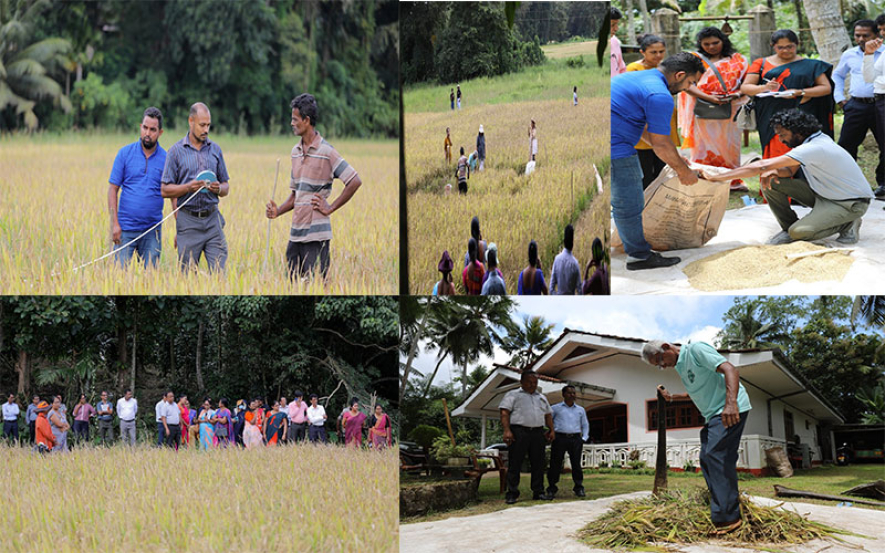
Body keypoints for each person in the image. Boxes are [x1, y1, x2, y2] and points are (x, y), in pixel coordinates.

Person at [702, 109, 872, 244]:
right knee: (771, 181)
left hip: (850, 203)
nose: (781, 140)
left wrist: (719, 177)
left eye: (783, 135)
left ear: (798, 132)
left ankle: (848, 223)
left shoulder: (814, 147)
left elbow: (762, 165)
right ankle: (788, 227)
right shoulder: (812, 141)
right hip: (826, 194)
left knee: (799, 233)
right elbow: (789, 172)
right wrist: (775, 172)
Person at [641, 340, 753, 534]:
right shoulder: (681, 366)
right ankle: (722, 505)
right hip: (714, 415)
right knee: (707, 458)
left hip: (730, 409)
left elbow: (730, 369)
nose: (663, 366)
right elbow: (697, 392)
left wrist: (731, 404)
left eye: (660, 360)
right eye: (658, 366)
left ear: (666, 347)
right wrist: (673, 397)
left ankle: (729, 517)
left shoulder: (695, 350)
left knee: (716, 455)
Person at [611, 52, 705, 270]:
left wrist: (675, 160)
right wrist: (683, 172)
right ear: (679, 75)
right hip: (616, 148)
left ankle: (636, 250)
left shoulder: (635, 78)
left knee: (622, 201)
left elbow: (647, 132)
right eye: (690, 82)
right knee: (629, 204)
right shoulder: (659, 94)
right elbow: (662, 143)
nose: (687, 88)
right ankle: (639, 257)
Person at [266, 94, 363, 281]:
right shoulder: (295, 152)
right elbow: (296, 195)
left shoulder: (327, 152)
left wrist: (330, 207)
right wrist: (277, 211)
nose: (291, 123)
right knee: (294, 286)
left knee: (317, 286)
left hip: (317, 236)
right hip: (295, 235)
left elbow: (354, 181)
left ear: (306, 120)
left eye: (295, 119)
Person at [741, 30, 834, 160]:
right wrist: (765, 87)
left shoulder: (811, 65)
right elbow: (745, 87)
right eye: (780, 47)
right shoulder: (761, 63)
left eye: (790, 46)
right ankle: (776, 178)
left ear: (797, 44)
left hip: (802, 115)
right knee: (777, 151)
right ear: (773, 46)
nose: (785, 50)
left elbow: (826, 88)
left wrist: (800, 92)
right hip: (771, 115)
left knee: (803, 152)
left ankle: (803, 180)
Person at [161, 102, 231, 272]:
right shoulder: (175, 152)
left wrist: (218, 189)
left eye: (208, 125)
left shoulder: (215, 150)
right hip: (188, 221)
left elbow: (226, 186)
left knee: (220, 274)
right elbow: (165, 190)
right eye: (202, 125)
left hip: (213, 220)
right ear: (191, 121)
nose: (206, 129)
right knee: (187, 275)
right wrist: (188, 188)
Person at [678, 27, 749, 192]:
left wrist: (736, 94)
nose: (711, 47)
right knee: (702, 145)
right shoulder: (693, 60)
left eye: (715, 42)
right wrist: (709, 97)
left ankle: (732, 181)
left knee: (730, 145)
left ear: (723, 41)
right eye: (706, 44)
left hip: (731, 108)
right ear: (700, 44)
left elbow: (747, 83)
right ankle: (704, 180)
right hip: (702, 108)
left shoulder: (738, 60)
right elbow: (685, 84)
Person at [108, 106, 167, 267]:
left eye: (152, 129)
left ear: (160, 132)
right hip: (125, 229)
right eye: (145, 128)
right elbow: (113, 189)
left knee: (151, 281)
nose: (147, 133)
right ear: (140, 127)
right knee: (118, 279)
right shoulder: (124, 153)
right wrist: (114, 224)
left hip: (152, 232)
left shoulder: (166, 159)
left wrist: (181, 229)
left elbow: (173, 195)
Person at [834, 20, 885, 197]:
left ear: (877, 35)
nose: (861, 39)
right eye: (857, 35)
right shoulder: (849, 54)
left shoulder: (884, 52)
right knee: (846, 145)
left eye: (866, 35)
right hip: (856, 105)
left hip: (880, 104)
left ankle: (883, 184)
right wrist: (840, 99)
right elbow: (838, 75)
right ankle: (846, 184)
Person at [627, 35, 682, 189]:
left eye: (661, 51)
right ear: (642, 52)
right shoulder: (634, 69)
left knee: (664, 168)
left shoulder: (667, 68)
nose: (658, 56)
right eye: (653, 52)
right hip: (645, 121)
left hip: (665, 118)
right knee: (645, 169)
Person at [500, 371, 555, 504]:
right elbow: (504, 412)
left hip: (538, 433)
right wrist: (507, 430)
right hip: (519, 432)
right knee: (515, 462)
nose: (532, 385)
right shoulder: (512, 395)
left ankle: (538, 492)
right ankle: (512, 493)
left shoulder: (541, 397)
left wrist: (552, 430)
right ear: (522, 382)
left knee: (538, 463)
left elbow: (548, 415)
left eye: (535, 382)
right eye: (529, 382)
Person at [547, 385, 589, 499]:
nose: (572, 395)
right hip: (559, 438)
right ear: (563, 394)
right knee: (555, 464)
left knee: (576, 464)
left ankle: (579, 487)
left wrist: (584, 438)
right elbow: (548, 421)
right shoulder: (555, 408)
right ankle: (551, 488)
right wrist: (551, 432)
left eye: (574, 393)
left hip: (575, 439)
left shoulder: (580, 410)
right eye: (569, 393)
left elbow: (585, 424)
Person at [862, 31, 885, 196]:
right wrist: (868, 54)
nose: (883, 33)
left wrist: (879, 81)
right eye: (881, 29)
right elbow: (869, 77)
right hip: (880, 101)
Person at [550, 224, 581, 295]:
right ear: (572, 242)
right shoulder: (575, 264)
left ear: (564, 241)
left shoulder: (557, 259)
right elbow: (580, 290)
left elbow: (551, 289)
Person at [610, 7, 626, 76]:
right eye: (612, 25)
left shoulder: (614, 41)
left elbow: (622, 69)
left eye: (617, 24)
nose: (616, 28)